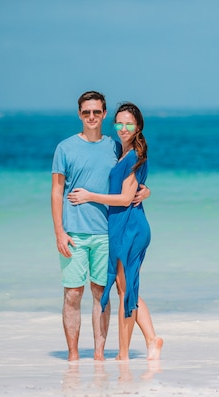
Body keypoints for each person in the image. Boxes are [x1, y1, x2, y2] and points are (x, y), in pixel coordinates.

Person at [51, 91, 150, 361]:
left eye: (97, 112)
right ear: (79, 115)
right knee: (72, 294)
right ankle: (72, 357)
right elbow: (56, 192)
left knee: (101, 294)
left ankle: (98, 357)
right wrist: (59, 231)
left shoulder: (115, 146)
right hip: (73, 233)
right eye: (86, 113)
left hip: (107, 233)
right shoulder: (65, 148)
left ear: (104, 114)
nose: (92, 117)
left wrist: (146, 190)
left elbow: (132, 173)